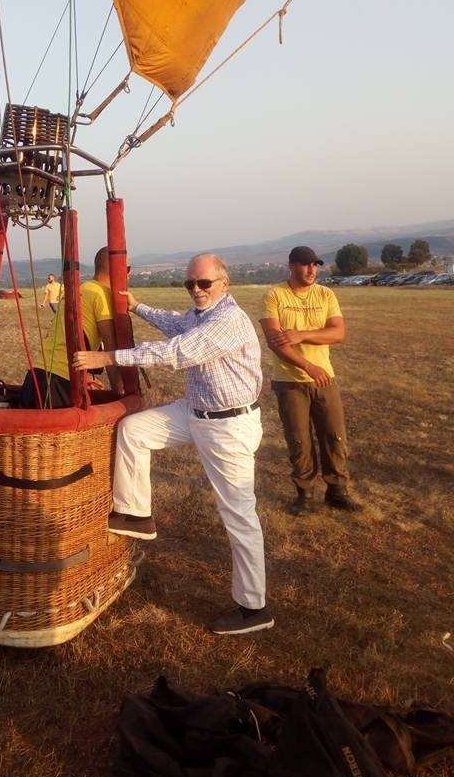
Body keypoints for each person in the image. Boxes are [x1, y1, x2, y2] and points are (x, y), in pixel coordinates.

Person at [73, 253, 273, 636]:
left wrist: (108, 356)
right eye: (190, 284)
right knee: (135, 429)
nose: (196, 291)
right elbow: (177, 324)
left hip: (228, 427)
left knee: (240, 517)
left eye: (204, 284)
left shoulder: (228, 321)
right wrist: (138, 306)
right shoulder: (203, 314)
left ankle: (254, 607)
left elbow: (176, 351)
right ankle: (135, 513)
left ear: (224, 283)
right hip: (196, 412)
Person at [259, 246, 360, 515]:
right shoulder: (275, 296)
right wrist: (307, 366)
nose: (311, 270)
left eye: (315, 265)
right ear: (292, 266)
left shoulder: (326, 294)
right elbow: (276, 342)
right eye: (305, 265)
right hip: (289, 381)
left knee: (334, 435)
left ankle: (337, 491)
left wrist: (301, 335)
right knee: (299, 440)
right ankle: (304, 493)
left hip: (325, 378)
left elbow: (338, 333)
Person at [20, 248, 121, 408]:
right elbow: (110, 347)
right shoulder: (102, 294)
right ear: (116, 269)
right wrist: (119, 392)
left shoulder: (80, 289)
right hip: (61, 381)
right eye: (127, 270)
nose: (128, 275)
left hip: (35, 375)